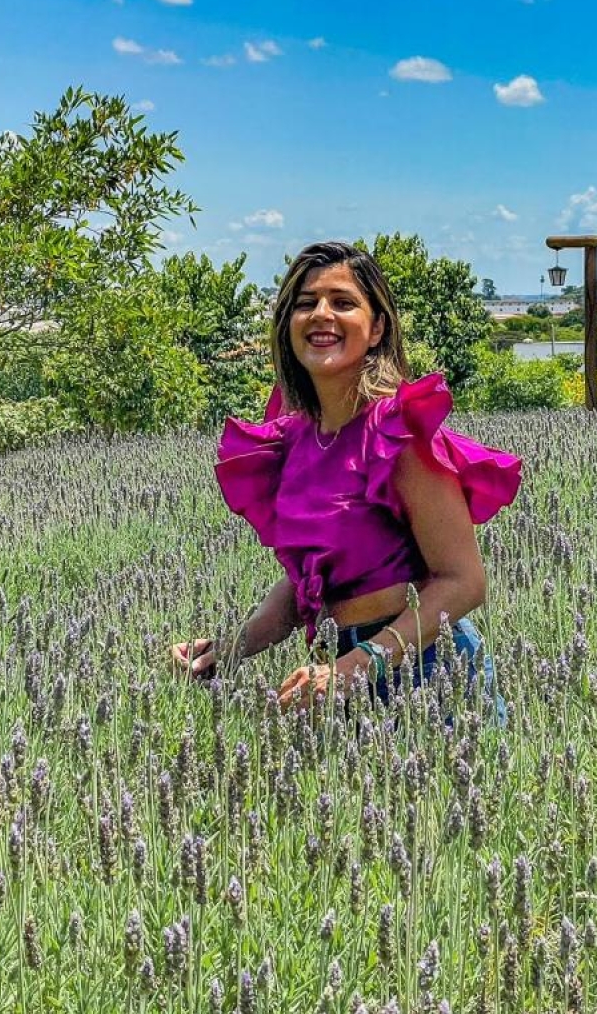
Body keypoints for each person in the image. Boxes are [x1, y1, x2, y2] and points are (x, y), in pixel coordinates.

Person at [171, 240, 522, 717]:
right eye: (306, 303)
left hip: (425, 670)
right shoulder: (296, 438)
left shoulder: (396, 433)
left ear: (376, 328)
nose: (321, 314)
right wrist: (229, 648)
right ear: (287, 324)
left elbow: (464, 582)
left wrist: (359, 664)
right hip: (336, 673)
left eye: (343, 302)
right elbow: (305, 584)